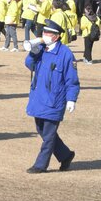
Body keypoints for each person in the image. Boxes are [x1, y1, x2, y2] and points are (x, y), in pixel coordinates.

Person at [24, 19, 80, 173]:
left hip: (55, 100)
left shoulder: (66, 54)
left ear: (56, 36)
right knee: (42, 130)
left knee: (48, 135)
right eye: (44, 32)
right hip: (39, 98)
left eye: (48, 33)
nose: (45, 35)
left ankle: (40, 165)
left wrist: (71, 99)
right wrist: (33, 53)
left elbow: (72, 80)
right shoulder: (42, 49)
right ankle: (65, 155)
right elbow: (29, 65)